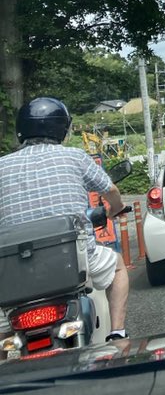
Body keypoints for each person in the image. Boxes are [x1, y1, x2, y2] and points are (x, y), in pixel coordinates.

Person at [0, 97, 130, 341]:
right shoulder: (75, 157)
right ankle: (117, 333)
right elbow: (111, 191)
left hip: (13, 270)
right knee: (119, 266)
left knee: (4, 330)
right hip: (73, 262)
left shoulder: (1, 166)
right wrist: (116, 208)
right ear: (62, 129)